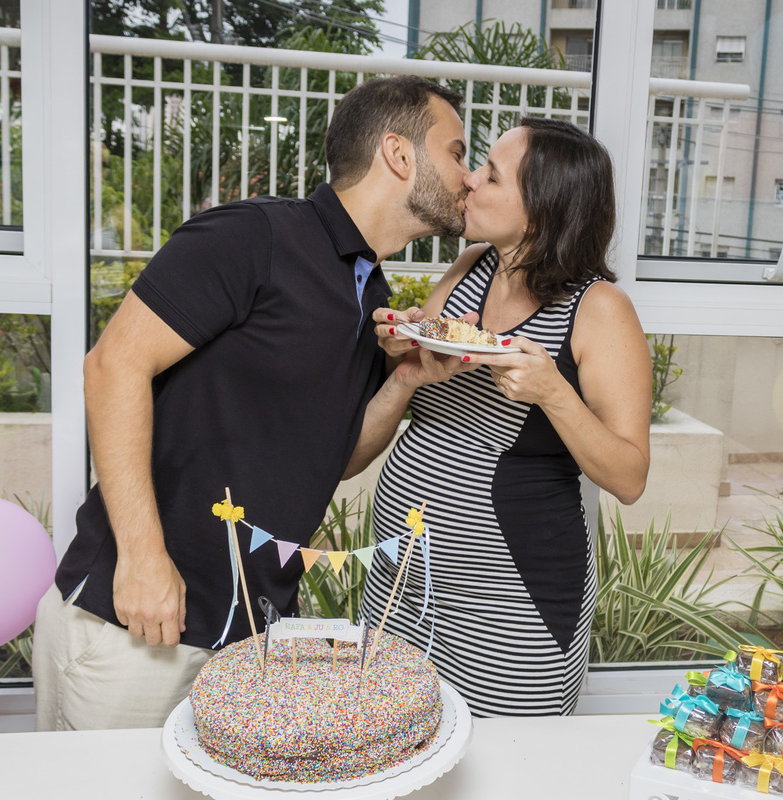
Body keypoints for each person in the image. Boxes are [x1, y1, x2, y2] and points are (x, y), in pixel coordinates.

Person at [32, 75, 472, 730]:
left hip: (246, 639)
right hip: (134, 624)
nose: (470, 176)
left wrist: (405, 379)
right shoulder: (255, 235)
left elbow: (341, 457)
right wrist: (144, 559)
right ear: (398, 154)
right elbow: (112, 366)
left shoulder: (370, 292)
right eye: (458, 152)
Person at [350, 117, 652, 717]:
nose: (468, 179)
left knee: (507, 757)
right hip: (401, 579)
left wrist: (553, 393)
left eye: (491, 175)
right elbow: (418, 375)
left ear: (540, 211)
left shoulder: (600, 310)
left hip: (511, 602)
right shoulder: (470, 266)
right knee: (392, 740)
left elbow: (630, 477)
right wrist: (404, 347)